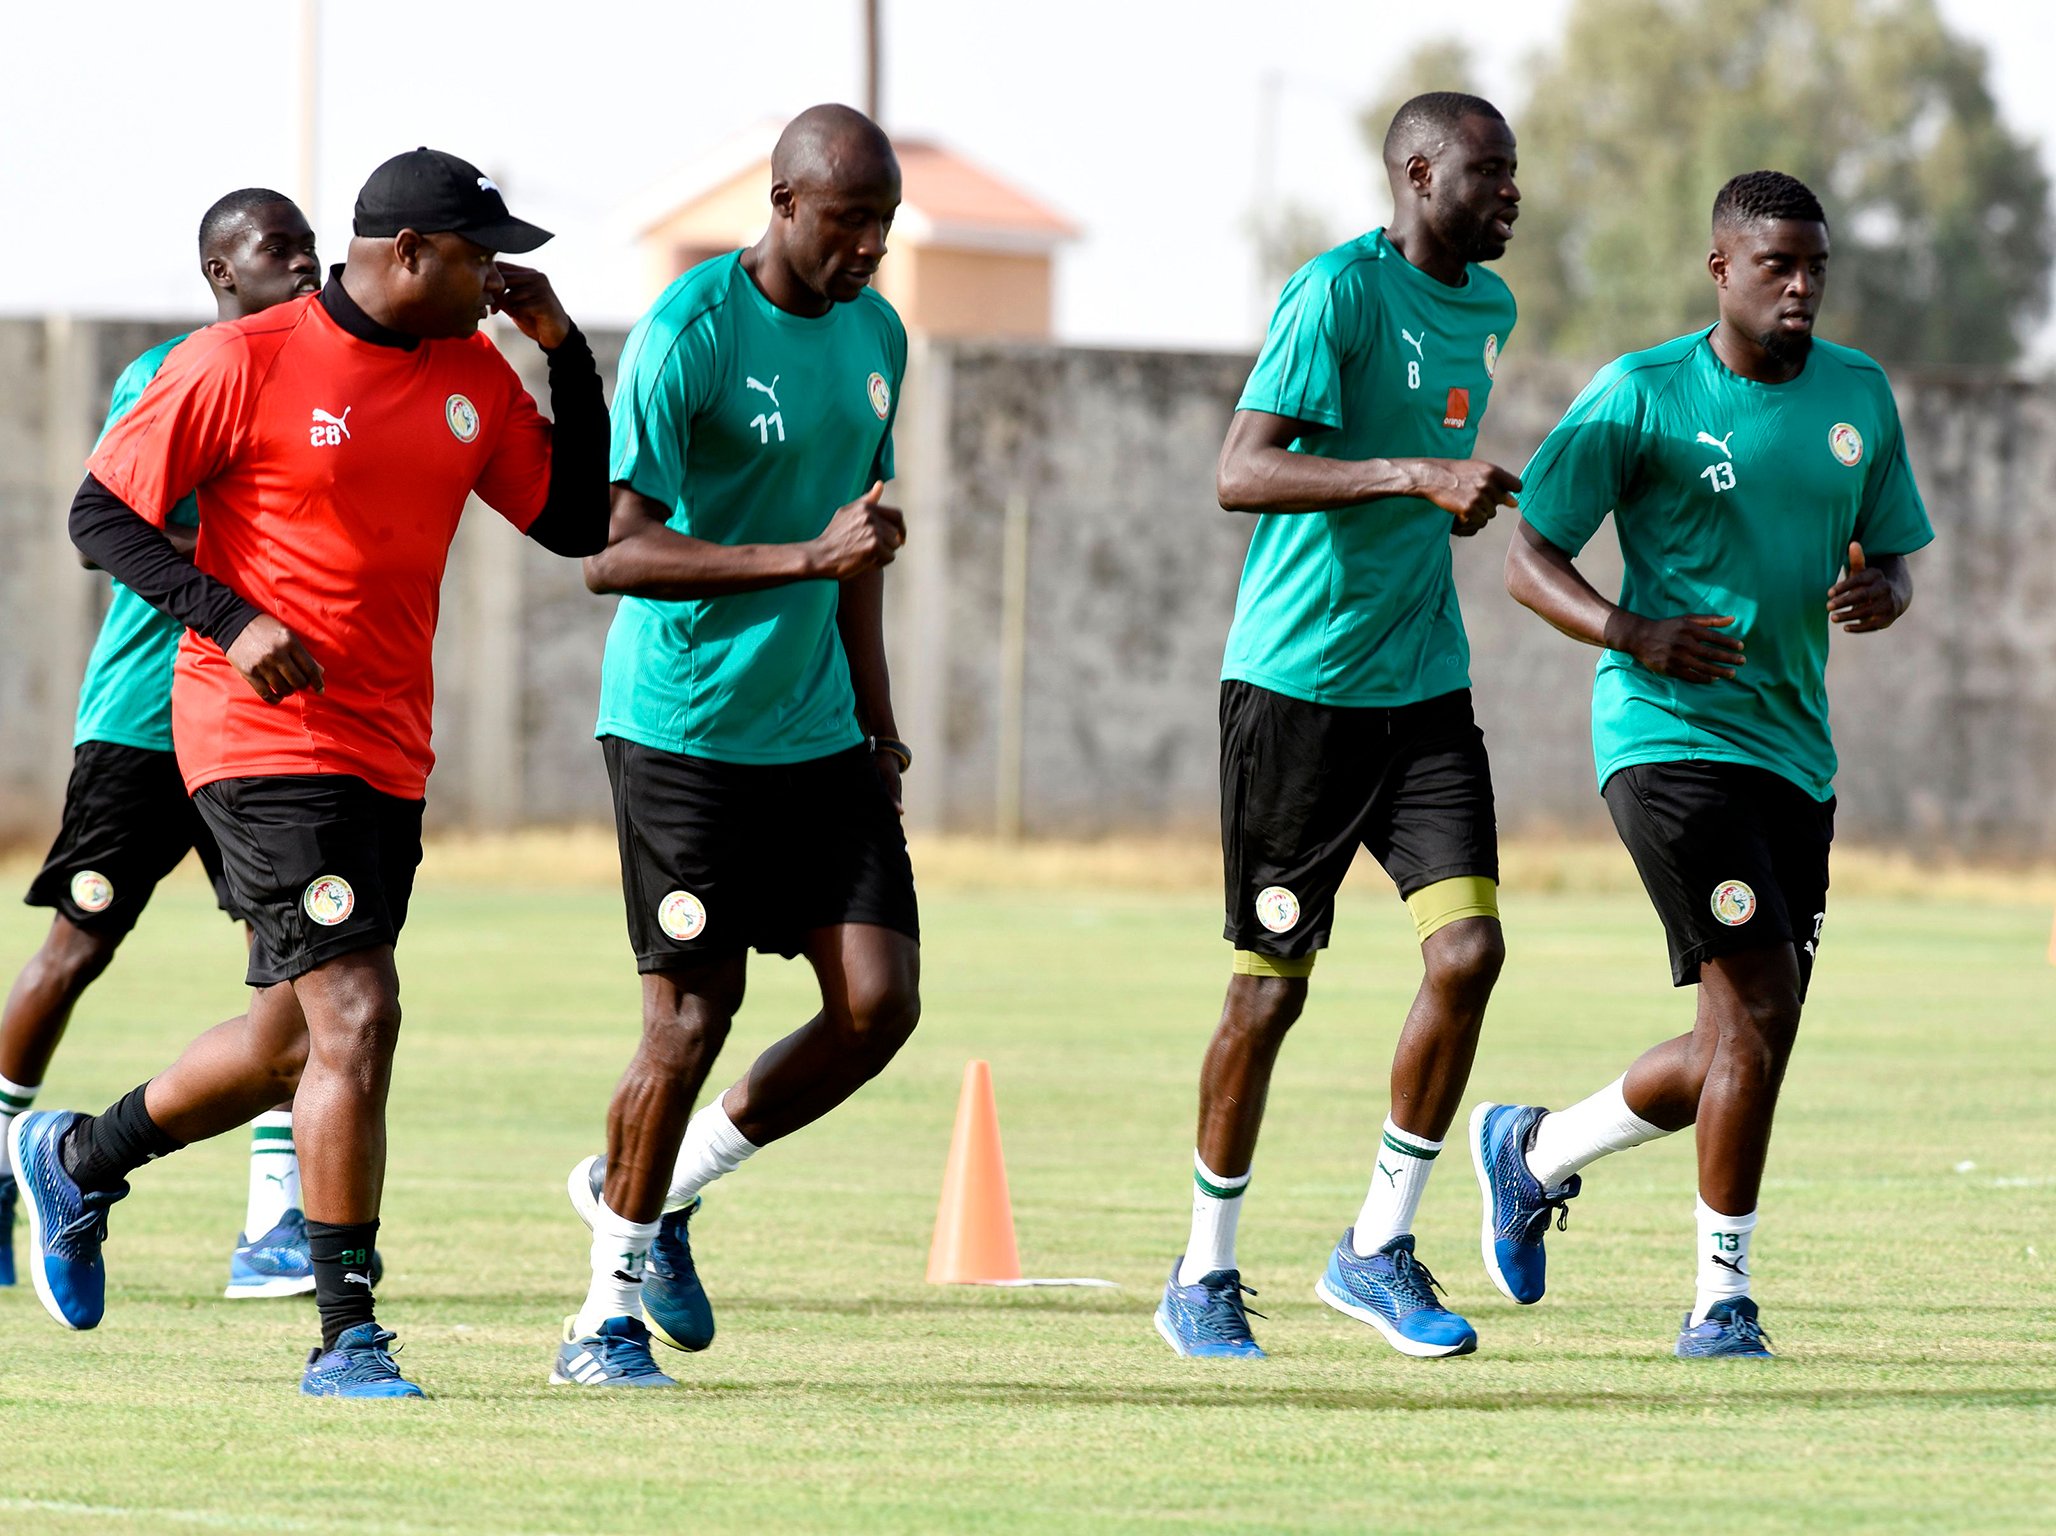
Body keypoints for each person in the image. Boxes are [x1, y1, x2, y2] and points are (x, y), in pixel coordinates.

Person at [9, 148, 609, 1398]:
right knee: (359, 1015)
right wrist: (230, 620)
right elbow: (98, 515)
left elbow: (572, 522)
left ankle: (81, 1156)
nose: (500, 275)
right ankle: (347, 1336)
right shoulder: (245, 360)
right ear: (406, 255)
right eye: (480, 255)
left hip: (387, 748)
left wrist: (566, 356)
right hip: (257, 737)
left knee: (291, 1040)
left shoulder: (472, 375)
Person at [1474, 170, 1932, 1359]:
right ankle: (1720, 1299)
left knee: (1748, 1037)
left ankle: (1533, 1152)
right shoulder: (1642, 394)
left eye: (1816, 265)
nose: (1800, 285)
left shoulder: (1857, 396)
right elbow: (1527, 555)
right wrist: (1631, 630)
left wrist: (1883, 586)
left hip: (1796, 754)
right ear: (1720, 268)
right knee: (1759, 1006)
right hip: (1665, 740)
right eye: (1777, 263)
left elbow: (1893, 552)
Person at [554, 103, 917, 1389]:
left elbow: (858, 545)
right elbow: (615, 550)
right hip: (686, 729)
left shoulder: (881, 335)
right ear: (783, 206)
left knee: (879, 1007)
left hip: (817, 731)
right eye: (847, 220)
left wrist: (878, 722)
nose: (869, 245)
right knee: (691, 1017)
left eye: (882, 222)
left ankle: (657, 1185)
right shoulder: (690, 333)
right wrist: (799, 559)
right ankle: (600, 1320)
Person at [1156, 92, 1524, 1361]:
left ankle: (1376, 1248)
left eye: (1514, 174)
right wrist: (1412, 475)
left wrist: (1454, 499)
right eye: (1488, 173)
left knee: (1467, 954)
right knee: (1268, 999)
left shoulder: (1489, 311)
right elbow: (1238, 472)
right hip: (1295, 691)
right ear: (1418, 175)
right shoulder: (1335, 296)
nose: (1510, 195)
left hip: (1421, 688)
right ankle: (1201, 1273)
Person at [0, 189, 322, 1300]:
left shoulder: (328, 383)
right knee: (75, 949)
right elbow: (110, 524)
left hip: (262, 728)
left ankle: (274, 1222)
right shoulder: (171, 378)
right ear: (221, 275)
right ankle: (3, 1159)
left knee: (298, 967)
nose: (304, 269)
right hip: (144, 717)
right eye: (277, 253)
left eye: (311, 251)